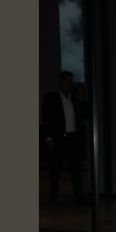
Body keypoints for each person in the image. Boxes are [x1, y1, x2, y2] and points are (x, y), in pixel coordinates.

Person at [41, 70, 88, 203]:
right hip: (58, 138)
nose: (69, 83)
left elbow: (86, 114)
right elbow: (46, 119)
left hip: (73, 138)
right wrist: (48, 138)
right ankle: (53, 197)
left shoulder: (75, 100)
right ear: (61, 82)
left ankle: (79, 197)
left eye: (71, 81)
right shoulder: (51, 98)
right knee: (55, 169)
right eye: (67, 80)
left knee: (76, 169)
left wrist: (82, 99)